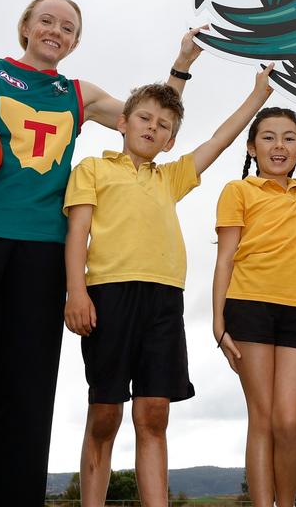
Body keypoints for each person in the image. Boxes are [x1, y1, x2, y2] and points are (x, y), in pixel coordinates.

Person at [0, 0, 205, 507]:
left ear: (75, 42)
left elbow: (149, 118)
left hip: (41, 253)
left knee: (24, 394)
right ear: (26, 26)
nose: (56, 30)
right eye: (46, 20)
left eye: (68, 27)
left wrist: (180, 66)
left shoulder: (80, 94)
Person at [62, 66, 276, 507]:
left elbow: (219, 140)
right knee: (105, 414)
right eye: (144, 119)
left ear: (170, 141)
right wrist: (76, 292)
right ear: (122, 122)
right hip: (107, 295)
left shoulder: (170, 177)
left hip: (163, 300)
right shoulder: (93, 168)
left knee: (154, 414)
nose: (152, 128)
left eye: (163, 126)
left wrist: (257, 97)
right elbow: (77, 233)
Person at [212, 104, 296, 507]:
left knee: (289, 420)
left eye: (289, 138)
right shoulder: (238, 190)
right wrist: (218, 323)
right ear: (252, 148)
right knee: (262, 417)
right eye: (268, 137)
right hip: (248, 304)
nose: (279, 145)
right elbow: (225, 257)